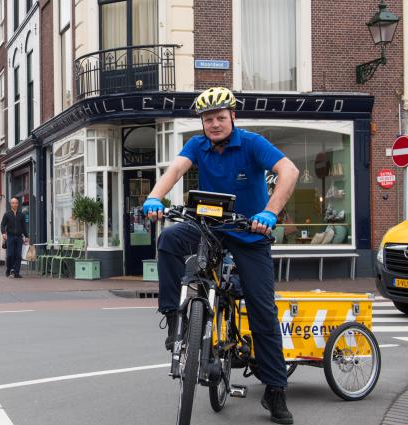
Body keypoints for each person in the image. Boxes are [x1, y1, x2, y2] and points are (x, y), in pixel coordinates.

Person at [142, 87, 298, 424]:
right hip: (209, 228)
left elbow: (290, 171)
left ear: (232, 117)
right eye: (208, 119)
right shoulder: (197, 145)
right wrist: (155, 196)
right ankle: (175, 318)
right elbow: (175, 170)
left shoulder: (253, 143)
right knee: (169, 240)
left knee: (263, 311)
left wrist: (269, 213)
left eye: (220, 117)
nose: (214, 124)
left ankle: (275, 391)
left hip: (250, 233)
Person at [0, 197, 28, 278]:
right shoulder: (7, 214)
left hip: (19, 237)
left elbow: (24, 227)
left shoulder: (21, 215)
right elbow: (2, 225)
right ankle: (9, 269)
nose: (14, 204)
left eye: (16, 203)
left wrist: (27, 236)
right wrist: (3, 233)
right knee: (10, 255)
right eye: (13, 203)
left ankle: (16, 272)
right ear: (10, 204)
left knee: (18, 255)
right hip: (10, 236)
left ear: (18, 204)